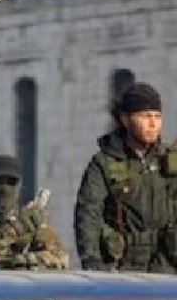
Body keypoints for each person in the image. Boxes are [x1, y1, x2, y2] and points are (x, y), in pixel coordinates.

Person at [74, 82, 175, 273]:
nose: (153, 124)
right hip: (122, 266)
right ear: (125, 119)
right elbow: (88, 213)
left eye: (157, 117)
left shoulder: (169, 161)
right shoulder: (105, 163)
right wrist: (92, 260)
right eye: (145, 116)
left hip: (165, 264)